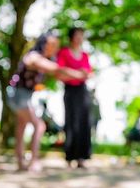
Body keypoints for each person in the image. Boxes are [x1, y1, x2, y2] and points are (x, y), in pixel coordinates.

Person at [7, 32, 87, 172]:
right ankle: (34, 161)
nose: (55, 47)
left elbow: (58, 74)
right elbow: (56, 69)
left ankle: (21, 162)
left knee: (21, 127)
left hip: (21, 95)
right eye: (52, 44)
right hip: (19, 95)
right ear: (44, 44)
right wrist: (79, 74)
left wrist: (76, 76)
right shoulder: (34, 57)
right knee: (39, 126)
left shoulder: (42, 59)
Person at [57, 27, 93, 169]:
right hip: (70, 91)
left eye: (81, 36)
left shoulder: (84, 55)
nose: (80, 38)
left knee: (84, 122)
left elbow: (89, 73)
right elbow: (59, 72)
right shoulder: (64, 52)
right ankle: (70, 156)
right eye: (77, 35)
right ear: (71, 37)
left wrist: (74, 73)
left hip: (82, 91)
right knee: (71, 121)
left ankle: (82, 157)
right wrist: (78, 74)